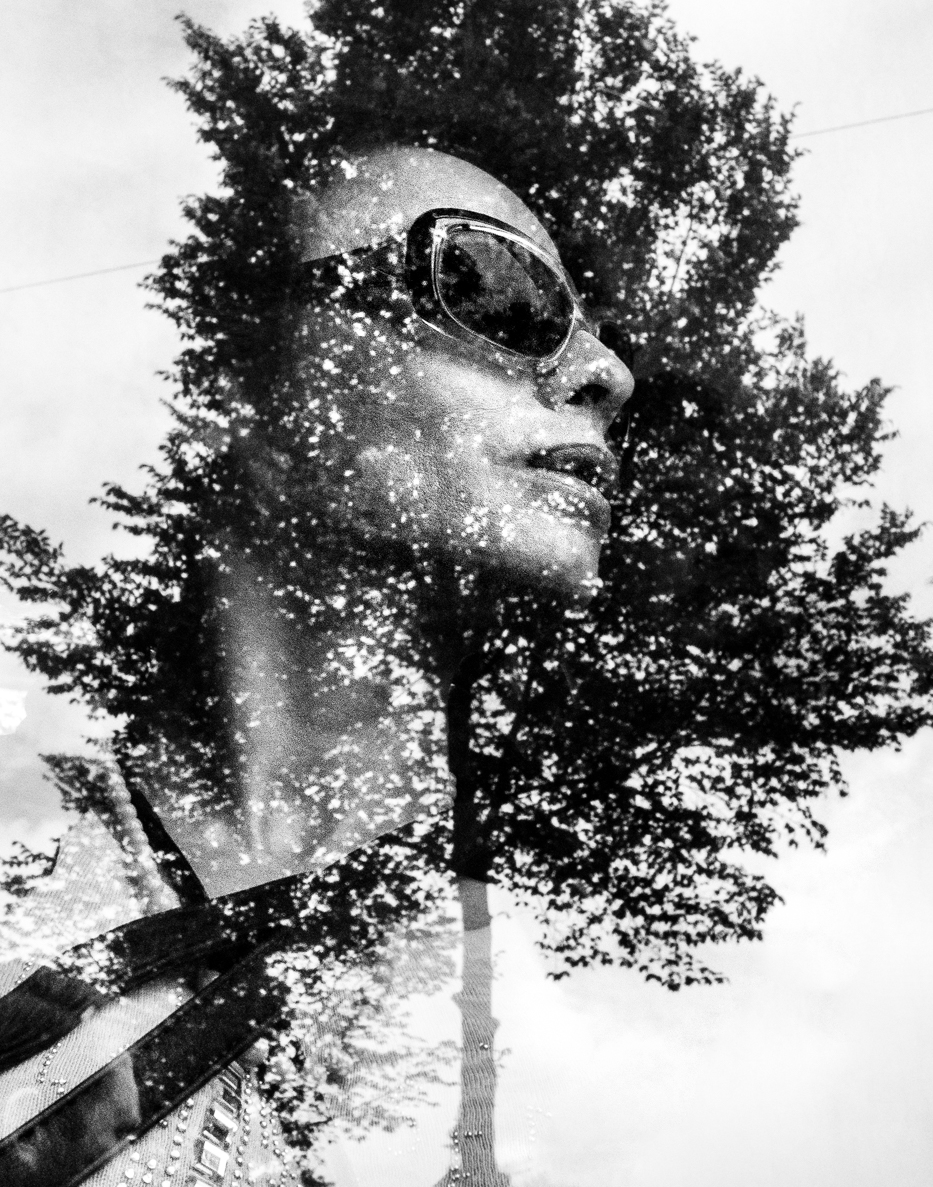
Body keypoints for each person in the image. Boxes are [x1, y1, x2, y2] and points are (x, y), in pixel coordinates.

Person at [0, 146, 633, 1186]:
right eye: (494, 286)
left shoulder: (579, 996)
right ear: (247, 391)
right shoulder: (25, 833)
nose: (606, 372)